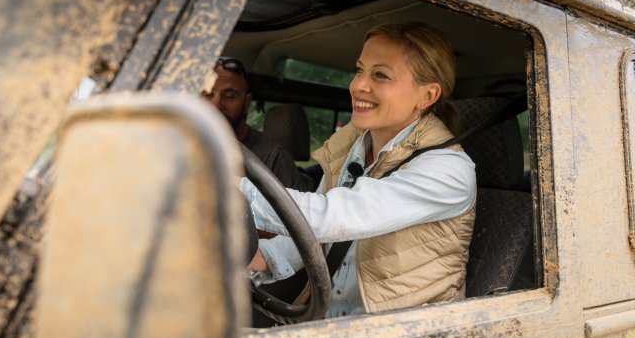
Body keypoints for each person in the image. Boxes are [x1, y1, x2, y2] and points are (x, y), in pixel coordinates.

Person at [244, 22, 477, 318]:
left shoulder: (449, 171)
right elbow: (311, 233)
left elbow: (334, 216)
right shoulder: (351, 145)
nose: (358, 86)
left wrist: (226, 192)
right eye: (359, 70)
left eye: (381, 75)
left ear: (427, 96)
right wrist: (260, 257)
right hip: (330, 324)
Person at [203, 56, 313, 192]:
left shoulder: (273, 159)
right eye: (207, 95)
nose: (216, 106)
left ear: (246, 102)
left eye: (230, 96)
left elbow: (294, 212)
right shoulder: (178, 144)